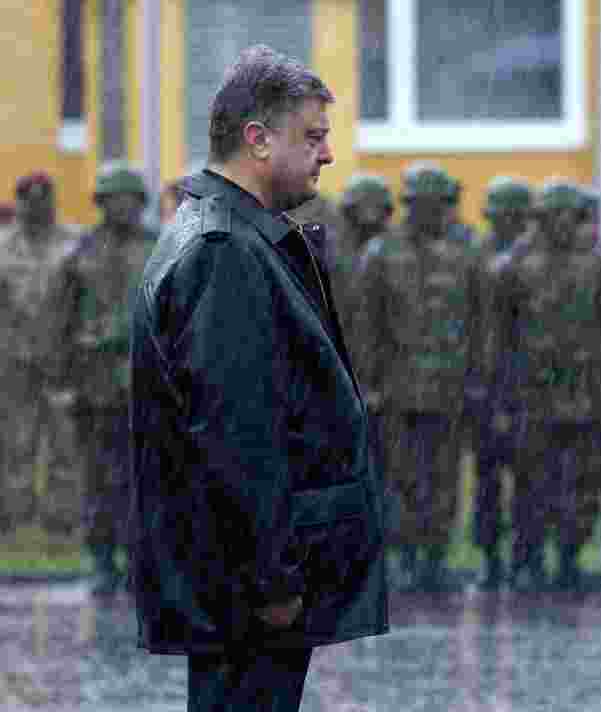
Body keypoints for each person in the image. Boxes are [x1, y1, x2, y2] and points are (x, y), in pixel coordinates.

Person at [130, 45, 387, 712]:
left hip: (237, 577)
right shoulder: (224, 251)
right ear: (258, 139)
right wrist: (273, 577)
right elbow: (238, 434)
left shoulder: (237, 237)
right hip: (245, 586)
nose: (327, 155)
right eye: (314, 136)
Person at [358, 161, 484, 592]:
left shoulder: (469, 253)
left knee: (445, 479)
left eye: (437, 205)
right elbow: (367, 328)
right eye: (420, 205)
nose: (428, 213)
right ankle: (404, 557)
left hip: (449, 387)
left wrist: (476, 380)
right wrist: (368, 385)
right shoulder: (380, 253)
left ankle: (435, 558)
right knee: (400, 477)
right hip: (398, 388)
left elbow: (481, 324)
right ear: (407, 206)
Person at [493, 179, 601, 592]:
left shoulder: (597, 268)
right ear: (542, 220)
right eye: (554, 216)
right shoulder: (515, 268)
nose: (563, 224)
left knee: (581, 485)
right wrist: (503, 399)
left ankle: (569, 559)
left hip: (582, 396)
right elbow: (501, 339)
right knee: (530, 484)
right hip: (533, 397)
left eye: (571, 216)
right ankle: (528, 559)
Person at [50, 162, 158, 597]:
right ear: (101, 203)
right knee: (99, 478)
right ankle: (100, 559)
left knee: (148, 481)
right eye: (113, 199)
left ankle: (142, 562)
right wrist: (64, 379)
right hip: (96, 385)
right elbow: (61, 322)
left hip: (152, 382)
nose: (122, 207)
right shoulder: (81, 253)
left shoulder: (163, 247)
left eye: (130, 199)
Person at [0, 172, 79, 534]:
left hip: (62, 359)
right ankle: (17, 519)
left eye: (42, 199)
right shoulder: (2, 245)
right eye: (28, 200)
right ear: (18, 203)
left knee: (64, 440)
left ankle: (60, 520)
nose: (35, 206)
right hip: (13, 359)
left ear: (51, 202)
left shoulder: (75, 244)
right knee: (17, 441)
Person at [471, 176, 535, 590]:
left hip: (524, 382)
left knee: (529, 480)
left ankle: (524, 558)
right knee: (488, 481)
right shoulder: (475, 258)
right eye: (502, 215)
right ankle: (491, 558)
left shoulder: (530, 259)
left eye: (515, 215)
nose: (508, 222)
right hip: (483, 382)